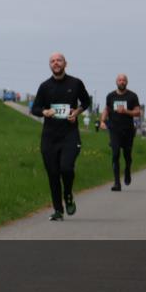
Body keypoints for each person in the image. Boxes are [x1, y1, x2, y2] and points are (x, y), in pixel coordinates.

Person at [30, 53, 92, 220]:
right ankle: (58, 210)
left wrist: (77, 112)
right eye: (52, 61)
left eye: (59, 60)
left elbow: (86, 102)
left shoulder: (76, 83)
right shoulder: (45, 86)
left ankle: (68, 194)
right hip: (50, 136)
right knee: (53, 174)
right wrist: (45, 111)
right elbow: (34, 108)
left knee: (66, 168)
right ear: (50, 65)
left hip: (70, 134)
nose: (56, 63)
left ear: (66, 63)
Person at [99, 74, 142, 191]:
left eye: (124, 80)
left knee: (127, 155)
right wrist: (102, 121)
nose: (121, 82)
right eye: (119, 80)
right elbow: (107, 109)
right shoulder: (110, 96)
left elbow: (138, 112)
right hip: (114, 129)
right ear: (116, 82)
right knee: (115, 154)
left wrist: (126, 111)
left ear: (126, 82)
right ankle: (117, 183)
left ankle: (127, 170)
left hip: (128, 130)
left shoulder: (132, 96)